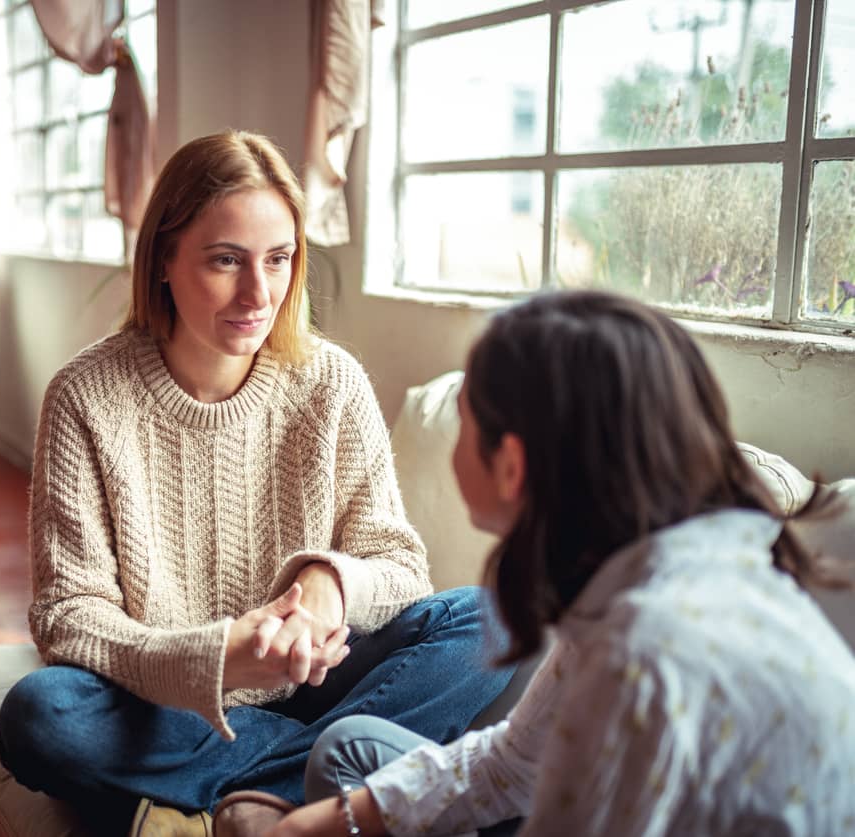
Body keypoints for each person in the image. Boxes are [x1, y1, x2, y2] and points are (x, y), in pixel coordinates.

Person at [0, 130, 514, 836]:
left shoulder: (330, 383)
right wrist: (222, 654)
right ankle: (314, 791)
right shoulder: (86, 398)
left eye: (278, 259)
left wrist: (328, 587)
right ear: (166, 261)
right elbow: (69, 615)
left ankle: (217, 802)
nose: (259, 292)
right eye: (226, 260)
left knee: (489, 615)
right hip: (166, 702)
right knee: (39, 715)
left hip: (317, 684)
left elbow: (400, 565)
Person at [268, 290, 855, 836]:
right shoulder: (648, 569)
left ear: (512, 465)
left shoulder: (641, 654)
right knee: (349, 751)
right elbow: (514, 765)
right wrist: (312, 825)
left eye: (466, 421)